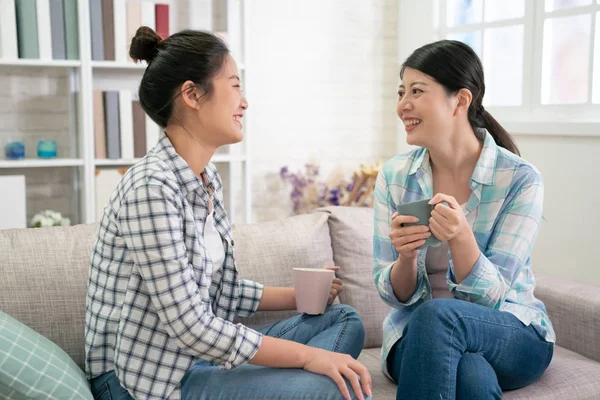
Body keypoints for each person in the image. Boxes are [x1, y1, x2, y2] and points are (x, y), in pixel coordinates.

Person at [85, 26, 372, 400]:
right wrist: (307, 358)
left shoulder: (205, 179)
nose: (244, 101)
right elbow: (191, 326)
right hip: (143, 379)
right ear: (192, 95)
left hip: (197, 358)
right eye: (235, 85)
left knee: (344, 319)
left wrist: (304, 296)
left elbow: (225, 292)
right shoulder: (151, 188)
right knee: (331, 387)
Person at [372, 39, 555, 400]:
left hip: (511, 330)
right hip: (419, 335)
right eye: (401, 92)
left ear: (461, 99)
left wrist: (461, 237)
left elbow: (494, 297)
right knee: (470, 373)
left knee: (439, 315)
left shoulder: (519, 179)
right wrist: (406, 258)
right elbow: (393, 294)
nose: (402, 105)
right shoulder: (395, 176)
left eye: (417, 91)